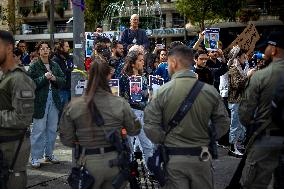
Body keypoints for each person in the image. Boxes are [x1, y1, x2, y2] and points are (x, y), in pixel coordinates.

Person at [144, 46, 230, 189]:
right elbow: (224, 121)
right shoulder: (210, 91)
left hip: (173, 159)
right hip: (201, 157)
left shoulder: (162, 92)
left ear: (174, 63)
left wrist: (164, 139)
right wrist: (208, 137)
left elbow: (149, 125)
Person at [59, 58, 141, 189]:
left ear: (88, 75)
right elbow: (135, 130)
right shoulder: (120, 103)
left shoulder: (74, 105)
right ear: (109, 76)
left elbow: (67, 139)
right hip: (115, 163)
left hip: (88, 164)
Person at [239, 31, 284, 189]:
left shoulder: (261, 76)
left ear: (274, 50)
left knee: (254, 183)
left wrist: (254, 126)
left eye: (266, 47)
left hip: (267, 137)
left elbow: (245, 113)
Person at [0, 30, 36, 188]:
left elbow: (23, 118)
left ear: (8, 48)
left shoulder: (19, 79)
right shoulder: (5, 76)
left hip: (13, 147)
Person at [28, 41, 66, 168]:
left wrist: (55, 79)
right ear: (38, 51)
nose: (45, 50)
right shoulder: (34, 66)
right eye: (42, 48)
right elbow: (30, 84)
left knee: (52, 129)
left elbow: (63, 80)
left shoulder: (54, 65)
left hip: (54, 100)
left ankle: (49, 154)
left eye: (47, 48)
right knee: (38, 130)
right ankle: (35, 157)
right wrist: (44, 77)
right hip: (40, 101)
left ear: (50, 50)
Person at [120, 50, 154, 165]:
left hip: (143, 113)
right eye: (140, 60)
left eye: (143, 60)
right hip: (130, 113)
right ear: (132, 63)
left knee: (147, 144)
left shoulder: (143, 77)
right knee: (129, 145)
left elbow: (146, 95)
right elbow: (120, 96)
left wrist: (150, 93)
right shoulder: (124, 78)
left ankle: (151, 170)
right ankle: (129, 171)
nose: (143, 63)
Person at [227, 46, 255, 158]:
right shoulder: (233, 68)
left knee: (242, 125)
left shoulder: (241, 67)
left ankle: (238, 145)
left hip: (242, 100)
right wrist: (248, 76)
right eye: (244, 56)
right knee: (235, 124)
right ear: (238, 57)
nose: (246, 58)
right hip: (235, 100)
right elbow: (236, 85)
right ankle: (232, 148)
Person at [51, 40, 73, 107]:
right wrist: (68, 70)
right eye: (66, 46)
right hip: (61, 90)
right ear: (61, 48)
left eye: (68, 46)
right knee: (62, 110)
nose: (68, 48)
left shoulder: (69, 58)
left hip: (70, 88)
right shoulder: (55, 60)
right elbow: (57, 74)